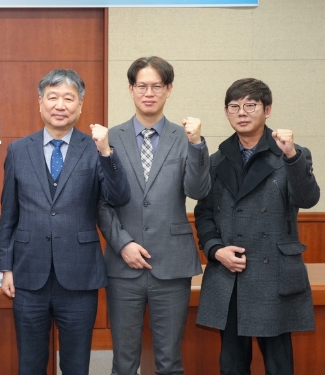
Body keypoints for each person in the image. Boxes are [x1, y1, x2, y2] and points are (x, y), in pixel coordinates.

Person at [0, 68, 131, 375]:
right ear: (40, 102)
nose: (60, 105)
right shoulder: (18, 150)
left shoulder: (95, 148)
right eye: (53, 97)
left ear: (80, 105)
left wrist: (106, 152)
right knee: (30, 363)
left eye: (69, 98)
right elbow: (9, 214)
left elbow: (118, 196)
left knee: (76, 364)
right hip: (28, 274)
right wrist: (5, 267)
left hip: (79, 274)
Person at [194, 78, 320, 375]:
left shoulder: (291, 154)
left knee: (279, 364)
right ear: (226, 112)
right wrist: (216, 250)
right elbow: (204, 214)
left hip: (273, 273)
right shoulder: (216, 160)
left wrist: (291, 156)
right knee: (232, 364)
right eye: (234, 106)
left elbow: (308, 198)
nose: (242, 112)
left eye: (251, 105)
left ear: (267, 110)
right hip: (230, 273)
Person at [98, 57, 210, 374]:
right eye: (142, 86)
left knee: (170, 361)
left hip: (172, 264)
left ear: (169, 89)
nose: (149, 93)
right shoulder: (110, 138)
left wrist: (197, 145)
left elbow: (198, 191)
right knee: (124, 362)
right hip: (123, 266)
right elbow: (101, 203)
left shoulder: (185, 138)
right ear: (131, 89)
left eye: (157, 86)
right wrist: (123, 244)